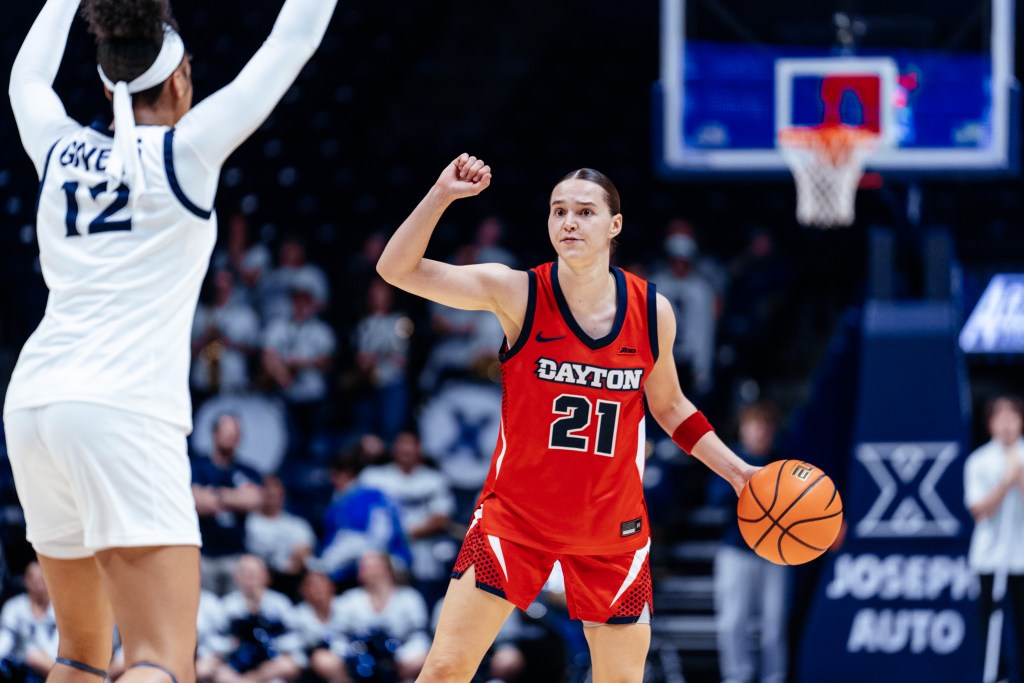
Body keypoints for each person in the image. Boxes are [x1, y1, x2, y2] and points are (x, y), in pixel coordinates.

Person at [3, 1, 338, 681]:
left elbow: (24, 83)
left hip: (34, 405)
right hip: (122, 411)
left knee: (80, 655)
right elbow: (295, 36)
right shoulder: (188, 151)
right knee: (161, 658)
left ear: (105, 85)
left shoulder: (58, 145)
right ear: (182, 78)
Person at [376, 154, 758, 682]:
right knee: (444, 668)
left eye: (584, 211)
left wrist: (741, 473)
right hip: (517, 520)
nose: (569, 222)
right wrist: (441, 194)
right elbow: (395, 269)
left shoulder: (652, 312)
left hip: (611, 530)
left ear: (614, 225)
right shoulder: (518, 291)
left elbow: (670, 407)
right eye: (558, 211)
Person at [707, 401, 791, 683]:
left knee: (774, 625)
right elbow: (716, 500)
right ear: (743, 430)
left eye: (766, 425)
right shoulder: (730, 461)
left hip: (776, 553)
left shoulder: (784, 463)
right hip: (737, 551)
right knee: (733, 621)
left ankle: (774, 677)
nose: (760, 432)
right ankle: (736, 676)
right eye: (754, 425)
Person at [964, 395, 1024, 683]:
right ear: (989, 424)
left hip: (1021, 556)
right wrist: (1006, 481)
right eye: (999, 418)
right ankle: (994, 675)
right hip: (990, 556)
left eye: (1012, 417)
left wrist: (1020, 477)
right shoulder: (979, 460)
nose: (1006, 424)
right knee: (990, 621)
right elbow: (979, 510)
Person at [313, 551, 431, 683]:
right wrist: (349, 653)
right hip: (357, 658)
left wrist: (402, 655)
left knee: (422, 657)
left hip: (399, 657)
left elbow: (419, 635)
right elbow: (336, 635)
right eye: (363, 567)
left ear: (387, 568)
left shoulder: (409, 597)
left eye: (373, 566)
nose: (367, 571)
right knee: (322, 658)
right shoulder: (349, 599)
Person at [192, 415, 264, 596]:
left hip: (236, 555)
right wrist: (235, 498)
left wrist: (214, 495)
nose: (232, 438)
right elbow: (198, 502)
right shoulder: (197, 467)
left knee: (235, 608)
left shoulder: (247, 470)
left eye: (235, 434)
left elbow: (254, 500)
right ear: (215, 434)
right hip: (203, 554)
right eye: (227, 433)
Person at [318, 452, 412, 588]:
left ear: (339, 474)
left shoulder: (369, 496)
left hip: (390, 559)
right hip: (353, 566)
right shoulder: (339, 501)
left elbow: (382, 537)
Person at [244, 474, 316, 600]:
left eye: (276, 490)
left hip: (292, 577)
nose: (272, 494)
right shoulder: (250, 523)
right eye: (268, 490)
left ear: (282, 494)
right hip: (264, 577)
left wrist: (295, 562)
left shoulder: (296, 524)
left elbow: (304, 551)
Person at [0, 562, 59, 683]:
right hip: (24, 668)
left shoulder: (60, 609)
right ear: (26, 580)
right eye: (35, 579)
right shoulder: (14, 607)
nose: (39, 584)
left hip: (57, 662)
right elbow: (4, 642)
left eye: (43, 578)